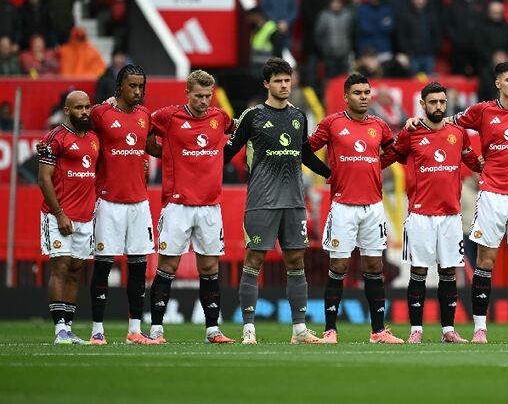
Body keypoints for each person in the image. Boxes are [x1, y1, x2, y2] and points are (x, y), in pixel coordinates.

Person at [406, 62, 508, 343]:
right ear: (498, 84)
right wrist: (415, 121)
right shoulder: (482, 111)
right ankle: (480, 328)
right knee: (486, 260)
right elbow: (445, 121)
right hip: (493, 194)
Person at [225, 58, 331, 345]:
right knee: (254, 260)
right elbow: (229, 150)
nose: (285, 85)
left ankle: (299, 331)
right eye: (279, 81)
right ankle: (249, 329)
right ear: (267, 84)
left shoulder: (298, 116)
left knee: (296, 260)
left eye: (288, 80)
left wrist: (330, 173)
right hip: (261, 200)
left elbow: (305, 155)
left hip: (294, 201)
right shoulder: (252, 116)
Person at [381, 82, 482, 343]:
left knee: (449, 271)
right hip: (420, 214)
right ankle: (416, 330)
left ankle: (448, 330)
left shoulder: (458, 133)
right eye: (433, 102)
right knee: (419, 271)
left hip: (450, 215)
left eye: (442, 101)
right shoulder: (411, 133)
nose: (438, 106)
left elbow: (474, 162)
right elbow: (390, 156)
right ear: (422, 105)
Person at [309, 73, 404, 344]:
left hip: (373, 206)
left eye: (366, 92)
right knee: (338, 265)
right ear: (346, 97)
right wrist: (328, 172)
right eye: (358, 93)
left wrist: (375, 166)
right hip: (342, 206)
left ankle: (378, 331)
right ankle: (330, 330)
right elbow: (307, 150)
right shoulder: (332, 123)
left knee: (374, 266)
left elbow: (393, 151)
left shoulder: (380, 125)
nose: (363, 97)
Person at [146, 70, 236, 344]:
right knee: (168, 266)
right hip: (177, 205)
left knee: (210, 267)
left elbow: (238, 130)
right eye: (198, 96)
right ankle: (157, 330)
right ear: (187, 93)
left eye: (208, 96)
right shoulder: (169, 116)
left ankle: (213, 330)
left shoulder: (219, 117)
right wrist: (163, 152)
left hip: (210, 206)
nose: (203, 101)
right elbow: (143, 129)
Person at [86, 65, 157, 344]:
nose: (137, 92)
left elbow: (151, 147)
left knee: (139, 266)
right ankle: (97, 330)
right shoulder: (100, 114)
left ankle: (135, 330)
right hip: (109, 202)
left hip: (139, 203)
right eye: (132, 86)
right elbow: (77, 131)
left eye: (141, 86)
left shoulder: (145, 116)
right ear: (119, 87)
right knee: (103, 265)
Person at [38, 90, 99, 344]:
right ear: (67, 110)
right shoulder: (54, 139)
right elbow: (44, 179)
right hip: (59, 215)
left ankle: (69, 327)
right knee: (60, 267)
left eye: (87, 107)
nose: (84, 112)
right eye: (78, 108)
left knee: (76, 270)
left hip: (86, 217)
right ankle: (59, 329)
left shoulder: (95, 138)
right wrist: (60, 213)